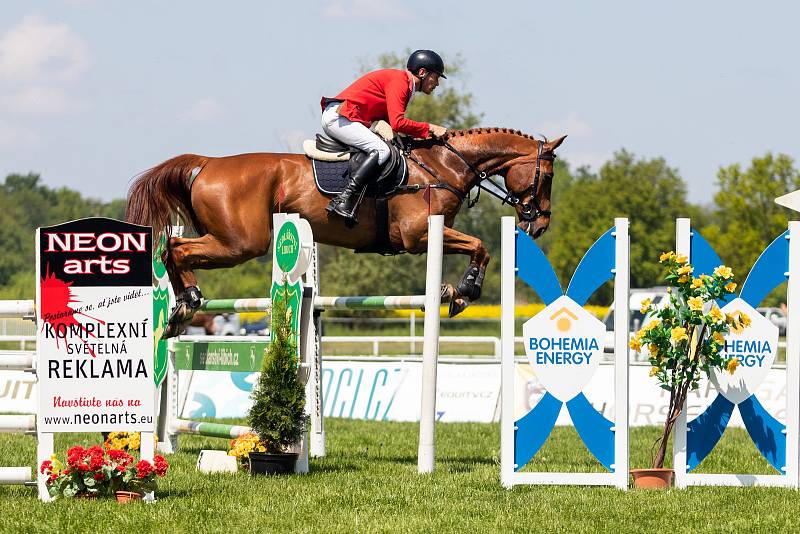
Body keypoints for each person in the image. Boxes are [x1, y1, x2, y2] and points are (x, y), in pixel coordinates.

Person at [320, 49, 449, 222]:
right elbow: (398, 123)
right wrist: (430, 128)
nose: (437, 83)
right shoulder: (401, 82)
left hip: (346, 118)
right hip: (340, 118)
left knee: (387, 148)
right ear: (422, 72)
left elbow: (391, 124)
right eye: (436, 77)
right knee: (381, 150)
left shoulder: (405, 85)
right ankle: (343, 198)